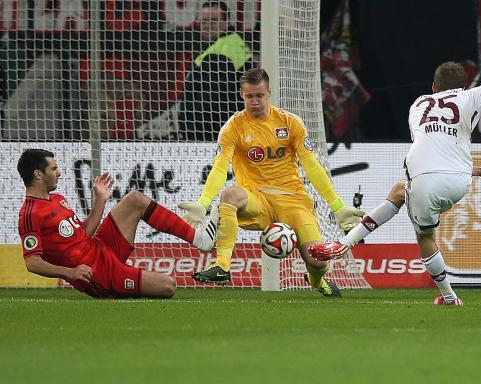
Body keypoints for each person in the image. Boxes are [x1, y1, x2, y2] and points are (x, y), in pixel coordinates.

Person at [309, 43, 481, 305]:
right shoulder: (471, 97)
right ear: (462, 86)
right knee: (400, 191)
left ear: (434, 87)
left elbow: (432, 155)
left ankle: (447, 295)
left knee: (424, 236)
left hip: (425, 178)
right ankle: (344, 244)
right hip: (459, 181)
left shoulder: (418, 105)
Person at [178, 68, 363, 297]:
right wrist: (203, 203)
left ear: (269, 93)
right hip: (257, 198)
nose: (254, 101)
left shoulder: (290, 122)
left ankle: (316, 281)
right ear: (241, 95)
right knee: (230, 196)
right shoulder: (233, 128)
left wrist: (337, 206)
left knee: (317, 260)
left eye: (259, 96)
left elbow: (312, 167)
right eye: (249, 96)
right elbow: (219, 168)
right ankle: (222, 266)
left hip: (294, 201)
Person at [17, 149, 218, 299]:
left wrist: (101, 200)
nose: (59, 173)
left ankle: (199, 239)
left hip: (101, 248)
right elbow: (31, 262)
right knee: (168, 286)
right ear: (38, 174)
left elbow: (84, 232)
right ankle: (116, 287)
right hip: (98, 274)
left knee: (135, 199)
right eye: (54, 168)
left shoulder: (57, 198)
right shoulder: (30, 214)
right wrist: (70, 273)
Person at [179, 1, 254, 141]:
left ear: (226, 22)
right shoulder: (231, 44)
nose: (207, 26)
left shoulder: (220, 53)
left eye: (213, 21)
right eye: (203, 21)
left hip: (210, 138)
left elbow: (211, 102)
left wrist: (192, 133)